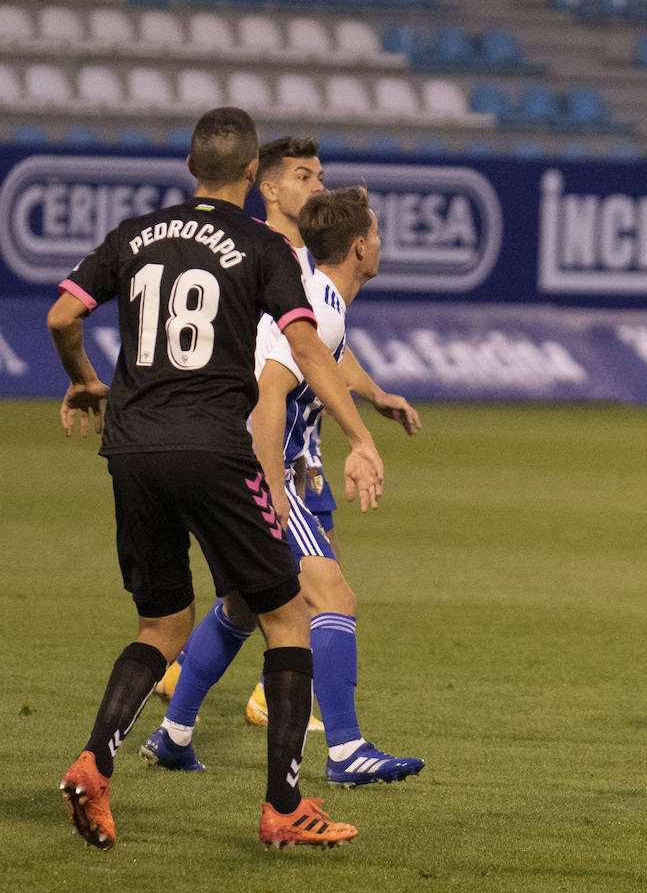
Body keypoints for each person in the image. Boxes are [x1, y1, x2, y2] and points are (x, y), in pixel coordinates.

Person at [51, 106, 382, 849]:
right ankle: (284, 806)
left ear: (191, 167)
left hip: (133, 448)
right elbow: (307, 351)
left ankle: (94, 761)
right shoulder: (262, 245)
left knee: (161, 624)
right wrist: (360, 434)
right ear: (249, 174)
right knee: (289, 617)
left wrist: (83, 381)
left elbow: (61, 317)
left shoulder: (136, 232)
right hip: (212, 448)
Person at [140, 186, 425, 788]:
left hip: (229, 462)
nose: (380, 244)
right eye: (376, 234)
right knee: (331, 594)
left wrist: (369, 405)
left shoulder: (321, 302)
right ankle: (346, 750)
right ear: (358, 248)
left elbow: (321, 362)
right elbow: (269, 393)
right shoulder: (318, 306)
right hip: (256, 469)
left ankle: (174, 735)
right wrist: (269, 491)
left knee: (243, 606)